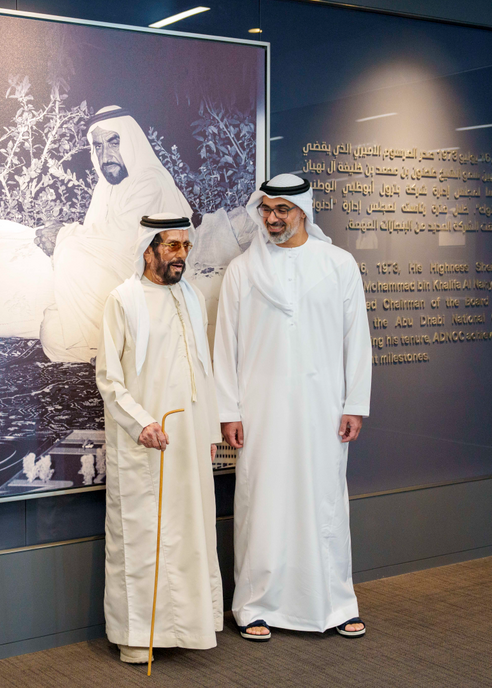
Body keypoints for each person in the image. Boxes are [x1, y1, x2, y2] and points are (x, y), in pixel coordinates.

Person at [214, 173, 373, 641]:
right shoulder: (242, 270)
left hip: (323, 408)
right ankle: (254, 606)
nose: (272, 218)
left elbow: (356, 340)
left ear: (303, 210)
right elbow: (226, 345)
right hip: (260, 410)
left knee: (324, 501)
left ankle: (337, 602)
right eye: (265, 209)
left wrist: (354, 404)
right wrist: (229, 410)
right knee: (261, 502)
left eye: (281, 209)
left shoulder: (338, 263)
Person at [95, 213, 222, 664]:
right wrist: (140, 422)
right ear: (148, 250)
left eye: (186, 247)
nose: (181, 256)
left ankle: (189, 629)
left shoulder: (192, 295)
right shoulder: (123, 301)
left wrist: (209, 431)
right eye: (172, 247)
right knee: (145, 539)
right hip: (144, 442)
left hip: (188, 442)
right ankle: (139, 637)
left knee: (190, 532)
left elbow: (201, 371)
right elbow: (109, 379)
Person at [40, 106, 193, 363]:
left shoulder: (149, 180)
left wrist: (63, 235)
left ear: (131, 143)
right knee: (53, 330)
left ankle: (118, 348)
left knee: (71, 254)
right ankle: (117, 348)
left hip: (154, 283)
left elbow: (121, 240)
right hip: (120, 279)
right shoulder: (106, 186)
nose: (105, 154)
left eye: (113, 143)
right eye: (98, 147)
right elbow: (96, 242)